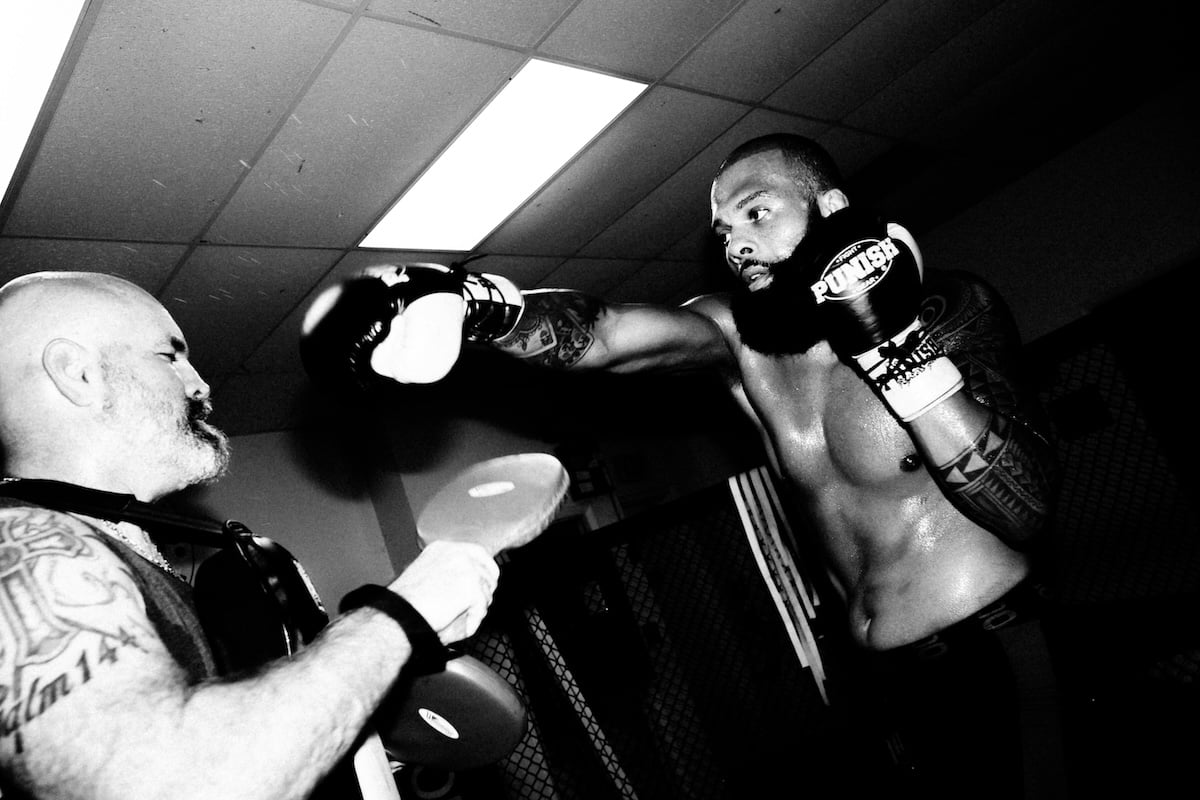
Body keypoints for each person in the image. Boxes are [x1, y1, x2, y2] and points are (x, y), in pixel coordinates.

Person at [301, 133, 1066, 797]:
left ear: (831, 208)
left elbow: (1025, 507)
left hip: (992, 649)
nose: (734, 243)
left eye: (756, 212)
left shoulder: (949, 310)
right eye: (723, 230)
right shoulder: (744, 339)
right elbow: (602, 336)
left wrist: (894, 348)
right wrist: (483, 310)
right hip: (878, 672)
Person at [0, 271, 501, 800]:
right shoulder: (20, 541)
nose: (201, 385)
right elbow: (161, 784)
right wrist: (401, 616)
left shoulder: (123, 551)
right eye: (170, 357)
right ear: (77, 374)